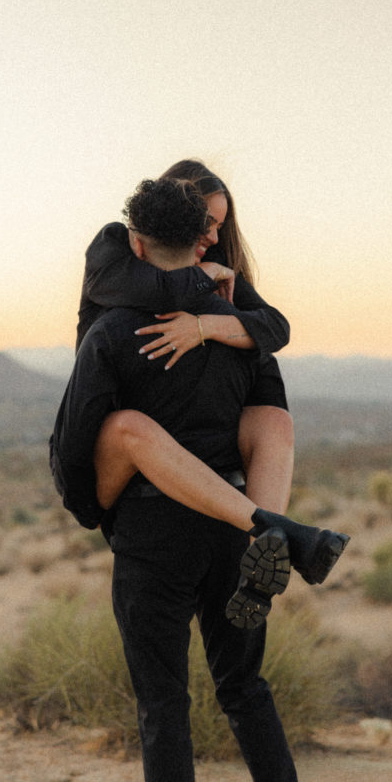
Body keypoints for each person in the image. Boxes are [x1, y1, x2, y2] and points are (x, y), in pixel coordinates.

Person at [51, 174, 319, 782]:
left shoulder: (113, 329)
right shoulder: (237, 332)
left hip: (152, 530)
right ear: (201, 237)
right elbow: (269, 405)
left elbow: (80, 428)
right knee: (243, 684)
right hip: (234, 524)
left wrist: (96, 510)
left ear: (137, 242)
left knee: (162, 706)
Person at [76, 159, 295, 518]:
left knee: (274, 418)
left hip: (197, 429)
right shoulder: (116, 247)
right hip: (118, 417)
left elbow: (275, 326)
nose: (213, 237)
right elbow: (154, 287)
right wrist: (203, 278)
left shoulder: (216, 259)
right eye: (207, 223)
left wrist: (204, 326)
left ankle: (270, 539)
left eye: (220, 227)